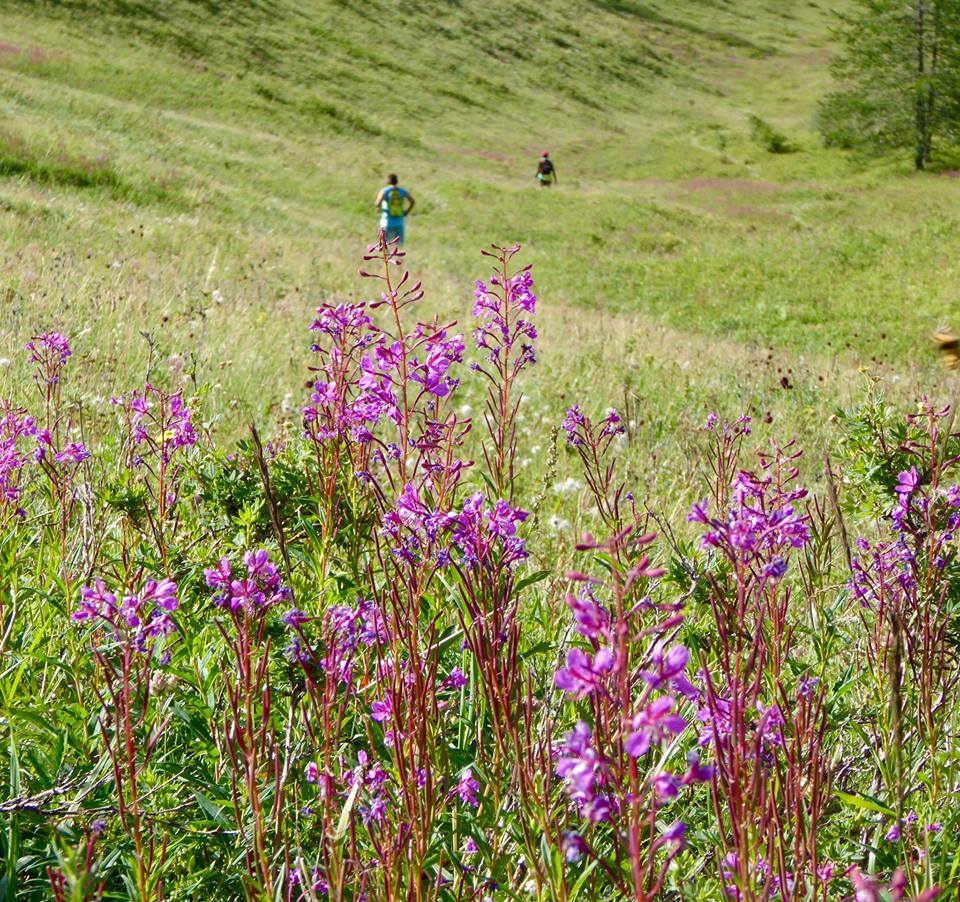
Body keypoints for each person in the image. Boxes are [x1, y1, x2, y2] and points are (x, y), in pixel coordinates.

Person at [375, 174, 415, 244]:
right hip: (399, 222)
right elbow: (412, 201)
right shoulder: (402, 191)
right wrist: (407, 211)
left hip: (386, 222)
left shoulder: (385, 191)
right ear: (396, 181)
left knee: (384, 245)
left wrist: (378, 208)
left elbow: (377, 203)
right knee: (398, 245)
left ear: (388, 181)